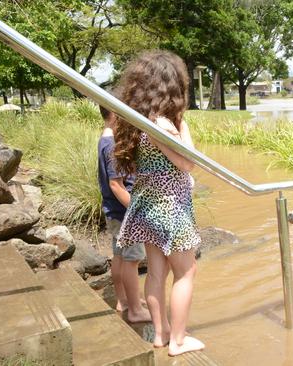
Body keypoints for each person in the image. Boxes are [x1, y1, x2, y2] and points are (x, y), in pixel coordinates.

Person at [113, 50, 204, 356]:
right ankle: (177, 340)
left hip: (147, 207)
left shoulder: (136, 123)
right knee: (186, 273)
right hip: (170, 208)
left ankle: (161, 333)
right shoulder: (161, 124)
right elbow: (188, 163)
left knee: (155, 274)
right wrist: (183, 126)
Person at [97, 105, 152, 323]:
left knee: (119, 257)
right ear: (114, 113)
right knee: (133, 259)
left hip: (114, 211)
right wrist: (138, 210)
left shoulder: (104, 139)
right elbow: (117, 185)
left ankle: (123, 300)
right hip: (125, 212)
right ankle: (136, 310)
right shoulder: (112, 145)